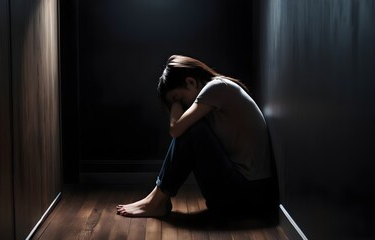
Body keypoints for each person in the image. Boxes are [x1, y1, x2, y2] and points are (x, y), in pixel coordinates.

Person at [116, 55, 277, 220]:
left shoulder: (217, 88)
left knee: (192, 129)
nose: (181, 106)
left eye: (178, 99)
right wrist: (178, 103)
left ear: (191, 82)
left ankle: (156, 201)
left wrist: (175, 106)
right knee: (191, 128)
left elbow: (175, 129)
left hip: (249, 195)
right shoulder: (215, 96)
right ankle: (156, 199)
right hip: (244, 193)